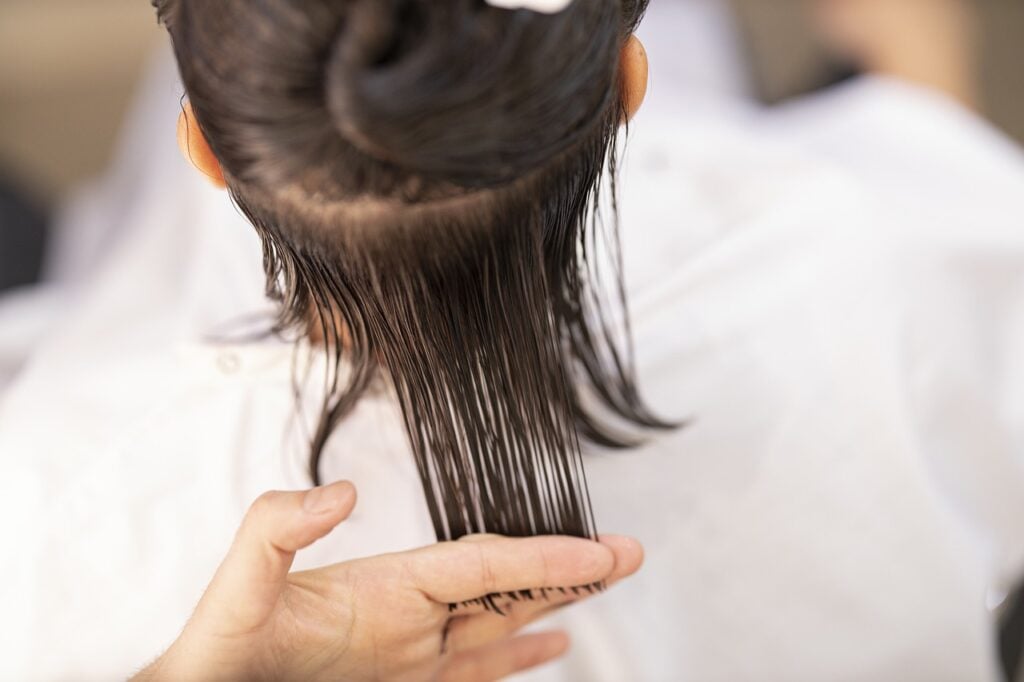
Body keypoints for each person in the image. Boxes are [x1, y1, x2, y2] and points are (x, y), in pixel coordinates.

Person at [2, 1, 1023, 680]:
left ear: (208, 149)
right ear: (628, 82)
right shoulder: (876, 261)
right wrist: (919, 74)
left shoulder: (52, 497)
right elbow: (963, 224)